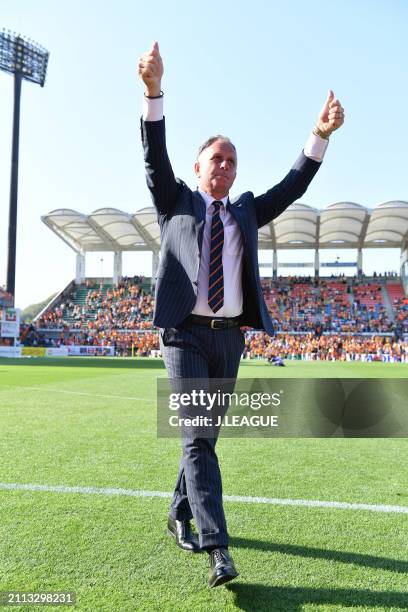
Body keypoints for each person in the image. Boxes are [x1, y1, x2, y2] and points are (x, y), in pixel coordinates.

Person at [138, 41, 344, 588]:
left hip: (230, 340)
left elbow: (293, 185)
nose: (226, 166)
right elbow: (153, 157)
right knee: (198, 438)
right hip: (183, 335)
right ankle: (219, 552)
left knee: (201, 436)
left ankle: (179, 509)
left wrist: (318, 137)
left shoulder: (247, 210)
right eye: (217, 159)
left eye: (232, 160)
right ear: (199, 167)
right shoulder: (175, 202)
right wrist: (154, 94)